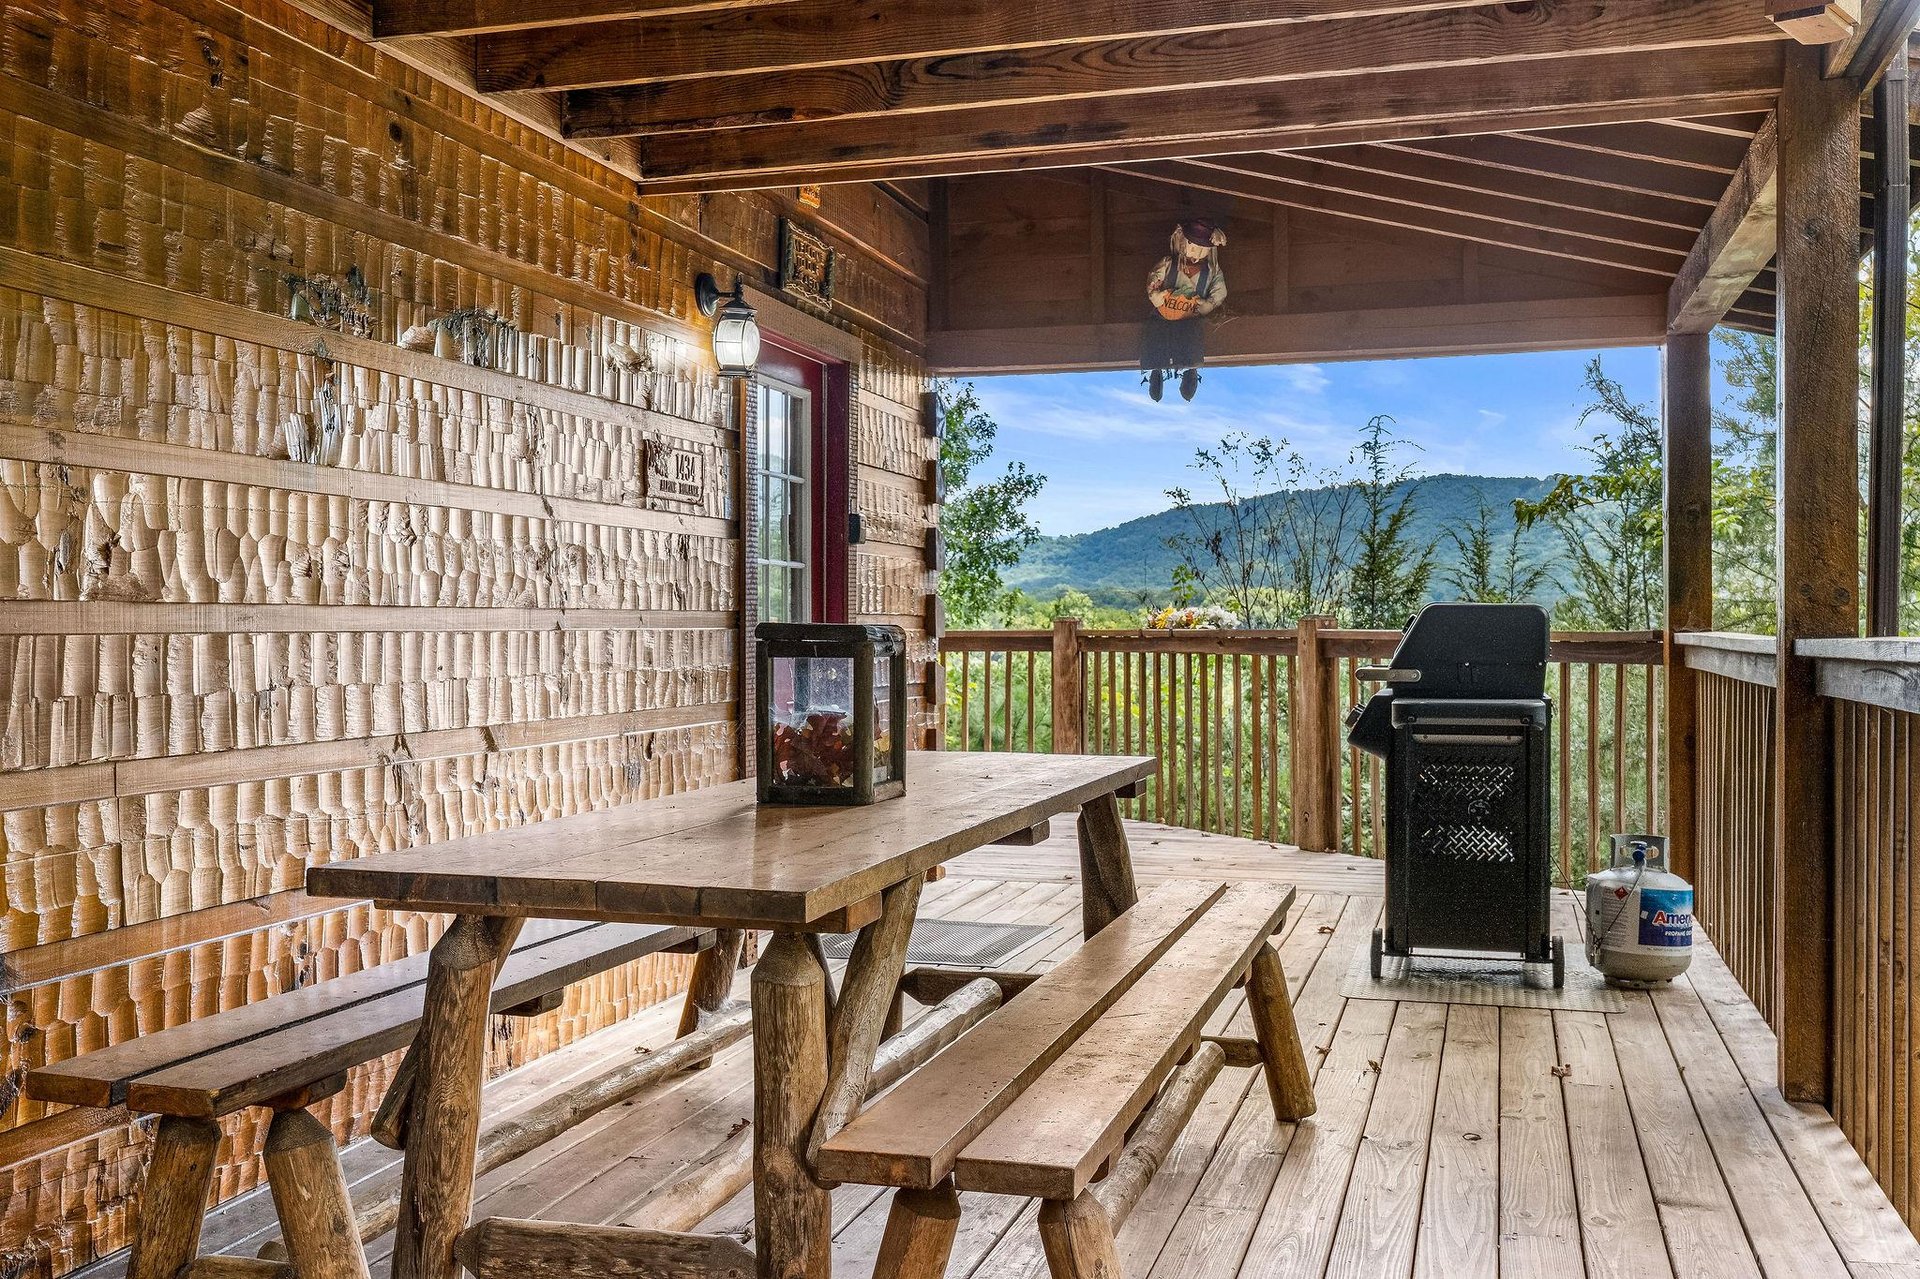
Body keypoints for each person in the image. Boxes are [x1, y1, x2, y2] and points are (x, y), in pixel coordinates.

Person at [1140, 218, 1227, 402]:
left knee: (1191, 341)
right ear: (1181, 241)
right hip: (1162, 313)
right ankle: (1156, 370)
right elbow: (1154, 278)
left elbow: (1219, 292)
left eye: (1203, 249)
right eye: (1193, 246)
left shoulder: (1211, 272)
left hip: (1190, 318)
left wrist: (1209, 305)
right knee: (1155, 335)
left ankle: (1190, 372)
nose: (1197, 254)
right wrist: (1155, 295)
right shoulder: (1169, 264)